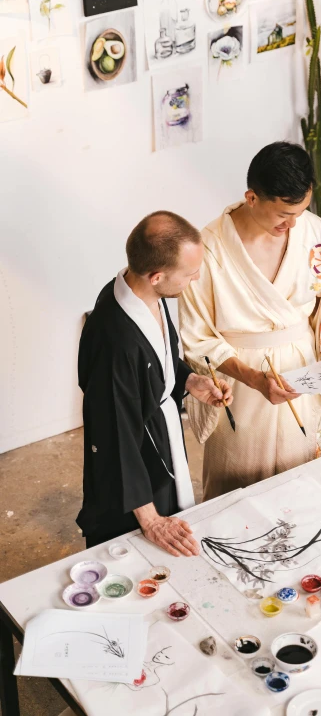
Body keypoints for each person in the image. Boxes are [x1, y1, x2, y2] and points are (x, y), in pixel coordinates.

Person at [179, 141, 321, 500]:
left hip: (302, 370)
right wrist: (253, 379)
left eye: (302, 210)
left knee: (303, 481)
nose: (294, 224)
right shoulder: (209, 247)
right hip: (241, 379)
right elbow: (196, 336)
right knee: (238, 483)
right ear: (251, 198)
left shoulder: (318, 235)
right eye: (283, 215)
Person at [77, 211, 233, 554]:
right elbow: (114, 432)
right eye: (190, 274)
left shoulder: (140, 292)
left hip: (157, 437)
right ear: (158, 275)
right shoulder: (113, 339)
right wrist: (149, 519)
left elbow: (155, 360)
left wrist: (189, 380)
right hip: (130, 459)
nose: (194, 281)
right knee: (137, 555)